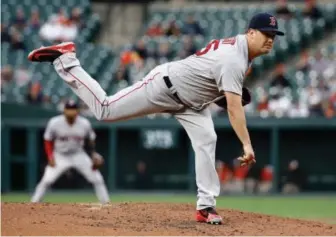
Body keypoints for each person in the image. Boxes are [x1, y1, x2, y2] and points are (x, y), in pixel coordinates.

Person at [28, 12, 284, 225]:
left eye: (273, 35)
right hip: (163, 87)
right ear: (251, 32)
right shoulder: (234, 60)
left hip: (191, 104)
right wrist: (247, 145)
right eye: (266, 34)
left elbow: (209, 75)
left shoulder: (240, 53)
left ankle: (206, 206)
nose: (270, 40)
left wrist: (219, 92)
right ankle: (67, 60)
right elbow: (233, 108)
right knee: (105, 110)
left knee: (207, 138)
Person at [31, 100, 110, 204]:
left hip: (79, 154)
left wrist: (93, 155)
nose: (71, 112)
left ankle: (106, 203)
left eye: (73, 109)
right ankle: (33, 203)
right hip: (60, 155)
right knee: (47, 180)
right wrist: (50, 157)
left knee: (97, 179)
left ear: (77, 111)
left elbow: (90, 141)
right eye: (69, 109)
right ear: (64, 110)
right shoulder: (55, 122)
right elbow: (47, 141)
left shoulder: (84, 123)